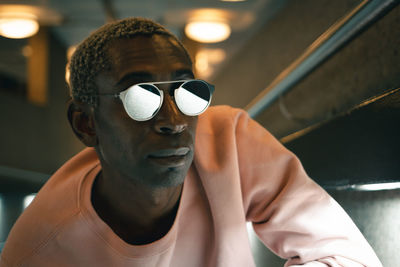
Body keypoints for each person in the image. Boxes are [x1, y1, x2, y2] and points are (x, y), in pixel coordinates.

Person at [0, 17, 382, 267]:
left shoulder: (227, 141)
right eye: (140, 97)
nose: (173, 120)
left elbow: (347, 256)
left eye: (187, 92)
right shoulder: (38, 251)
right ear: (85, 123)